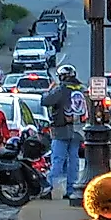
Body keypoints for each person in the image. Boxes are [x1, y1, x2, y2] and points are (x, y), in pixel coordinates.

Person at [40, 68, 85, 201]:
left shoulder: (60, 90)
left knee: (57, 160)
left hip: (61, 130)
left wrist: (49, 90)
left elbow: (45, 101)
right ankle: (71, 189)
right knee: (74, 160)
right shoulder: (81, 89)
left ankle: (48, 187)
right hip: (77, 129)